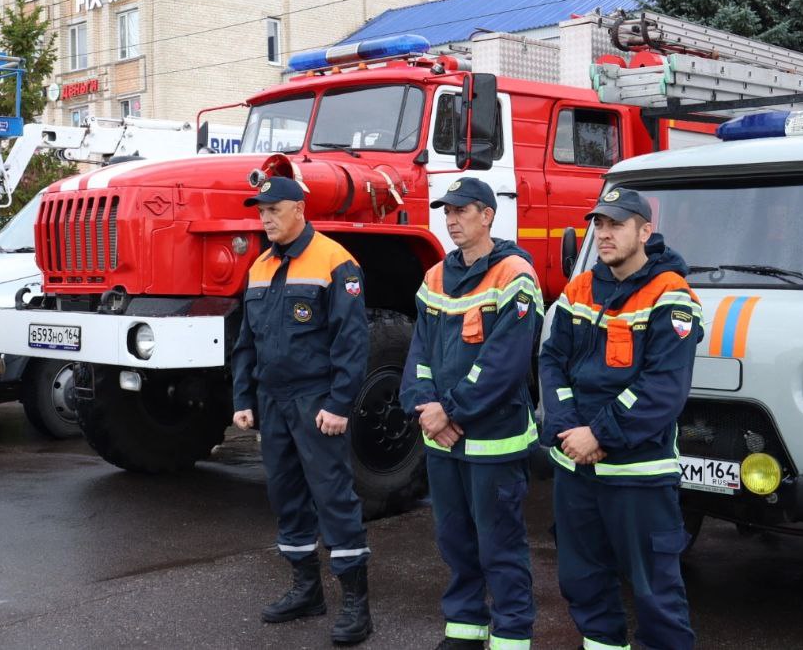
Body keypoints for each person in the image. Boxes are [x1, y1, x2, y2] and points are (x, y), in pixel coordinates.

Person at [539, 188, 703, 650]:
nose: (604, 234)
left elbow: (662, 388)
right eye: (599, 224)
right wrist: (569, 427)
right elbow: (553, 361)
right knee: (583, 581)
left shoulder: (671, 295)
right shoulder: (581, 288)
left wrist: (599, 432)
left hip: (638, 475)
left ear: (644, 231)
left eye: (616, 224)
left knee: (655, 594)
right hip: (577, 468)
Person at [399, 178, 543, 650]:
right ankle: (464, 629)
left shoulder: (514, 274)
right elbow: (419, 350)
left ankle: (512, 635)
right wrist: (423, 406)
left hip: (492, 442)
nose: (452, 219)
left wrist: (450, 411)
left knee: (499, 545)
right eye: (448, 211)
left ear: (488, 215)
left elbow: (504, 363)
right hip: (444, 439)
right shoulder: (436, 276)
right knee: (455, 541)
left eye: (462, 210)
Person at [231, 177, 374, 646]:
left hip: (316, 402)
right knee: (286, 495)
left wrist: (339, 404)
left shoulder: (335, 262)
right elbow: (245, 342)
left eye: (274, 209)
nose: (265, 218)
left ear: (299, 208)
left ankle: (356, 603)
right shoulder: (259, 266)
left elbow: (352, 342)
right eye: (260, 211)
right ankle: (306, 590)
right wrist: (243, 400)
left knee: (333, 496)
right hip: (272, 402)